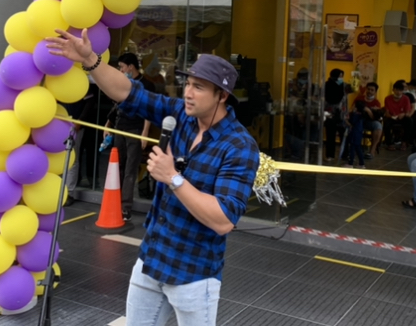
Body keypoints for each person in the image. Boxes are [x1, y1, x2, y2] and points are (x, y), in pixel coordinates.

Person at [46, 29, 260, 326]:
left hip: (194, 274)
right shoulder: (182, 115)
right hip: (151, 260)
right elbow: (128, 92)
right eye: (188, 83)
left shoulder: (239, 146)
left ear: (222, 96)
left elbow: (223, 220)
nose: (188, 92)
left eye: (198, 87)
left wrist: (173, 178)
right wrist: (90, 60)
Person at [103, 53, 155, 221]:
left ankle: (125, 208)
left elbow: (149, 111)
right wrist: (108, 124)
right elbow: (117, 105)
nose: (121, 70)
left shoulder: (146, 85)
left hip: (135, 130)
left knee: (130, 170)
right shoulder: (123, 83)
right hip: (120, 129)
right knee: (118, 168)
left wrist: (144, 133)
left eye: (122, 67)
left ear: (131, 66)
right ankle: (114, 202)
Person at [323, 68, 348, 161]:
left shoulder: (344, 86)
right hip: (330, 114)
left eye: (342, 76)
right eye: (340, 76)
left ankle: (344, 155)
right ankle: (330, 155)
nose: (341, 78)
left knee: (343, 135)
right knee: (330, 135)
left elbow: (354, 88)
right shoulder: (326, 85)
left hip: (342, 114)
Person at [356, 82, 383, 159]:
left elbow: (375, 117)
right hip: (358, 120)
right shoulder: (359, 99)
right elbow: (353, 110)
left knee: (378, 125)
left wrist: (369, 111)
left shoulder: (376, 103)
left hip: (369, 121)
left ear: (375, 92)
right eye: (368, 89)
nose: (370, 91)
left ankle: (372, 150)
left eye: (372, 90)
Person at [383, 81, 412, 151]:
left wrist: (403, 114)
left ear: (403, 91)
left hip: (402, 117)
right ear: (393, 90)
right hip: (392, 117)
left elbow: (407, 112)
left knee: (410, 121)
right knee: (386, 123)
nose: (398, 92)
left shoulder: (406, 98)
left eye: (400, 90)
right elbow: (387, 112)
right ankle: (390, 143)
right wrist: (390, 116)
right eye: (397, 90)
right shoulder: (387, 98)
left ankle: (404, 142)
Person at [342, 100, 366, 169]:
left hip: (354, 133)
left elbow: (351, 123)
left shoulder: (355, 115)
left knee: (352, 148)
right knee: (358, 149)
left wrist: (346, 120)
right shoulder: (361, 115)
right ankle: (362, 163)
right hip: (359, 133)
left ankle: (350, 163)